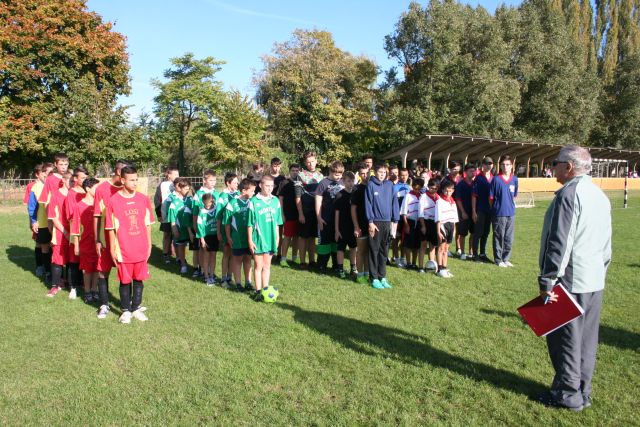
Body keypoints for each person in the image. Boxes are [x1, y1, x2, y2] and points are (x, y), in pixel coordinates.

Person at [536, 145, 612, 412]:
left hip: (569, 280)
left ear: (568, 167)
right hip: (593, 279)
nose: (552, 167)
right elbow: (607, 243)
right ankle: (582, 390)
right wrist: (601, 271)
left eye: (556, 163)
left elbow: (560, 242)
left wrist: (548, 280)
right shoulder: (599, 195)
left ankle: (567, 395)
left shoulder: (570, 194)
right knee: (586, 340)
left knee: (565, 340)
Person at [105, 165, 155, 324]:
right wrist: (112, 248)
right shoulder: (113, 201)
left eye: (136, 179)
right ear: (122, 180)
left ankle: (136, 307)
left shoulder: (143, 199)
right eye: (131, 180)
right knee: (125, 281)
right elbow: (111, 228)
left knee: (139, 280)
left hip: (140, 248)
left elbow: (147, 224)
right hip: (123, 249)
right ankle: (126, 310)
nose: (135, 183)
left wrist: (149, 245)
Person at [94, 159, 129, 320]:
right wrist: (97, 239)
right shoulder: (102, 189)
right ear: (117, 171)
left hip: (124, 241)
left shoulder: (126, 188)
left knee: (125, 274)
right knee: (103, 272)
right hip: (106, 239)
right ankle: (104, 304)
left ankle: (127, 306)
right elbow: (96, 217)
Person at [248, 175, 283, 301]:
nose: (269, 188)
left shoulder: (275, 201)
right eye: (267, 186)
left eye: (271, 186)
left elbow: (278, 223)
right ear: (260, 186)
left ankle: (265, 289)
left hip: (271, 238)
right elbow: (250, 224)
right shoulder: (254, 201)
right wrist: (250, 240)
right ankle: (258, 290)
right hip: (258, 238)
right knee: (258, 265)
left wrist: (278, 237)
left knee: (267, 265)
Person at [365, 163, 399, 289]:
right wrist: (370, 222)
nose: (382, 175)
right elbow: (368, 204)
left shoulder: (390, 185)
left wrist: (395, 221)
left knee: (384, 251)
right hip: (375, 223)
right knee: (374, 250)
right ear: (375, 172)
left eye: (384, 173)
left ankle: (382, 276)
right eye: (380, 172)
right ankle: (373, 278)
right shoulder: (371, 185)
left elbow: (394, 202)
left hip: (387, 222)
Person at [71, 178, 101, 304]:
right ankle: (87, 291)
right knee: (87, 270)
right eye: (96, 188)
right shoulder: (79, 206)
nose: (99, 191)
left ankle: (95, 290)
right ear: (88, 189)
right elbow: (76, 227)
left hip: (98, 243)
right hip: (86, 243)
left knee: (97, 268)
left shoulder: (99, 204)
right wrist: (76, 245)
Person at [224, 178, 255, 292]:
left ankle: (248, 282)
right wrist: (228, 237)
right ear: (243, 190)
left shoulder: (252, 202)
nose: (254, 193)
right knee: (237, 260)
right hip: (237, 237)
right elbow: (227, 223)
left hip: (250, 238)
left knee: (248, 259)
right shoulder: (232, 203)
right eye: (252, 191)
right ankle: (238, 283)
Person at [315, 160, 345, 273]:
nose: (339, 177)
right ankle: (321, 266)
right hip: (325, 219)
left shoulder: (342, 182)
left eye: (340, 174)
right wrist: (319, 218)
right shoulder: (323, 183)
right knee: (324, 243)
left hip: (339, 220)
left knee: (336, 242)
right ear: (331, 171)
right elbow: (318, 201)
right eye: (336, 174)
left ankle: (336, 265)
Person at [295, 151, 324, 269]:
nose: (311, 164)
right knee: (303, 237)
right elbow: (297, 196)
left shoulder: (321, 176)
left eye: (312, 161)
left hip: (316, 212)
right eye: (308, 162)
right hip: (305, 211)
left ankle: (312, 260)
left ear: (316, 161)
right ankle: (302, 261)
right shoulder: (300, 175)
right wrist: (300, 213)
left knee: (312, 237)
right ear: (305, 163)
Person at [46, 171, 72, 297]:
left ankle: (72, 284)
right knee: (58, 260)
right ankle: (54, 286)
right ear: (64, 180)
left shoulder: (75, 195)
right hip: (60, 233)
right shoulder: (55, 196)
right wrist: (65, 231)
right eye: (70, 181)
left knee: (72, 260)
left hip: (74, 233)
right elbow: (53, 217)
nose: (72, 184)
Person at [490, 155, 518, 267]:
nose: (505, 167)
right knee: (498, 236)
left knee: (508, 237)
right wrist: (496, 209)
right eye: (503, 164)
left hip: (511, 213)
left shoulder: (515, 179)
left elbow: (514, 195)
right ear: (500, 166)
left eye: (507, 164)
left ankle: (506, 258)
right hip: (499, 213)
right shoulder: (496, 179)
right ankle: (498, 259)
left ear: (511, 166)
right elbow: (491, 198)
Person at [192, 169, 219, 282]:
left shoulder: (217, 193)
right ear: (204, 180)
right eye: (211, 180)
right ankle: (203, 271)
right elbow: (195, 214)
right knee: (203, 251)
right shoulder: (198, 194)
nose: (213, 182)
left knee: (212, 253)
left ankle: (210, 272)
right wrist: (195, 229)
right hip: (202, 228)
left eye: (215, 180)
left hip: (213, 229)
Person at [27, 162, 53, 279]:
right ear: (41, 173)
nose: (48, 175)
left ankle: (58, 273)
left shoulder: (57, 184)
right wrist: (33, 221)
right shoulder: (36, 188)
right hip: (42, 223)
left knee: (55, 248)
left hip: (56, 223)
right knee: (44, 247)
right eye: (46, 173)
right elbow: (31, 207)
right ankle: (46, 271)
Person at [64, 166, 87, 296]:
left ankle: (85, 284)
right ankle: (73, 287)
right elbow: (70, 215)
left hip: (89, 231)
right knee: (74, 259)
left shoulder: (88, 192)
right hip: (76, 230)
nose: (84, 180)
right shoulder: (71, 194)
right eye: (82, 178)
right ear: (75, 178)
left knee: (87, 259)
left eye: (86, 178)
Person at [216, 172, 239, 286]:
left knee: (233, 255)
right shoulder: (222, 196)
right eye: (234, 182)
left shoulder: (238, 194)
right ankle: (223, 278)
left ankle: (230, 277)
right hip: (226, 230)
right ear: (227, 183)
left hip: (236, 230)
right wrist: (218, 232)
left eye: (237, 182)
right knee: (226, 254)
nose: (237, 184)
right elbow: (219, 216)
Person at [333, 171, 357, 279]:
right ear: (343, 181)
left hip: (353, 227)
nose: (350, 183)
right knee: (341, 249)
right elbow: (336, 214)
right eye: (348, 181)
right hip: (342, 227)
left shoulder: (355, 194)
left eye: (352, 181)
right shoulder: (339, 195)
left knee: (353, 248)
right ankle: (340, 268)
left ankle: (353, 267)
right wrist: (337, 230)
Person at [277, 163, 301, 267]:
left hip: (299, 214)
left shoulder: (300, 183)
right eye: (293, 170)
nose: (295, 172)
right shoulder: (284, 183)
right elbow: (280, 199)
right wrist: (282, 213)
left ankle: (295, 258)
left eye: (297, 171)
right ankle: (283, 258)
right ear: (289, 171)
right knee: (287, 236)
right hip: (288, 213)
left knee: (296, 236)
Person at [167, 178, 192, 274]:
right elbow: (172, 219)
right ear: (180, 189)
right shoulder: (174, 203)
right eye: (185, 189)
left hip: (189, 229)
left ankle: (197, 267)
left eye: (188, 189)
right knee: (181, 247)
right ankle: (183, 265)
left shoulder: (190, 200)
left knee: (193, 247)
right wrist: (174, 230)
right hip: (180, 230)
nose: (187, 191)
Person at [351, 164, 371, 284]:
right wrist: (356, 226)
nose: (365, 176)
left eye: (367, 173)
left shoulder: (373, 187)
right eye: (362, 173)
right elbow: (353, 209)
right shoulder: (356, 189)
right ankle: (359, 274)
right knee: (361, 251)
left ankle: (367, 273)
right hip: (361, 224)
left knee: (369, 251)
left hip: (372, 224)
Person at [434, 180, 458, 278]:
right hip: (443, 226)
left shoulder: (453, 202)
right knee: (441, 248)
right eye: (446, 191)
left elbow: (455, 217)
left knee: (446, 249)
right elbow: (438, 218)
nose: (448, 193)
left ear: (453, 190)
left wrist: (455, 230)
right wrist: (438, 231)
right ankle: (440, 269)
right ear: (442, 190)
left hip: (451, 226)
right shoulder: (440, 201)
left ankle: (444, 267)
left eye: (450, 191)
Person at [471, 157, 493, 263]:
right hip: (480, 209)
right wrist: (474, 211)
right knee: (478, 232)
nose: (488, 165)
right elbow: (474, 196)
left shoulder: (494, 178)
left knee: (486, 232)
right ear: (482, 165)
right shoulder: (478, 178)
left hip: (490, 210)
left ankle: (482, 253)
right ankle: (475, 254)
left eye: (490, 163)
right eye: (486, 163)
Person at [156, 166, 179, 264]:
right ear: (169, 175)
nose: (178, 176)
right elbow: (157, 200)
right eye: (175, 174)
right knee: (167, 235)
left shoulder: (180, 184)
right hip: (166, 215)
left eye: (178, 174)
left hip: (177, 215)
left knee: (178, 236)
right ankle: (165, 254)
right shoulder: (162, 185)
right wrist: (159, 214)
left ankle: (179, 256)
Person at [195, 193, 219, 286]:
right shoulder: (202, 212)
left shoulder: (216, 209)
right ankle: (206, 276)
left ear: (212, 201)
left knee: (213, 256)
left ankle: (212, 275)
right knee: (206, 256)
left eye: (209, 204)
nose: (207, 206)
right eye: (205, 204)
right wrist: (202, 239)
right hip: (205, 237)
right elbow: (200, 226)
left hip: (214, 236)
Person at [399, 178, 423, 270]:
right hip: (410, 221)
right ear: (412, 187)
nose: (416, 190)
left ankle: (414, 263)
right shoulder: (408, 196)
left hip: (419, 222)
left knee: (416, 245)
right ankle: (408, 263)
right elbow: (404, 212)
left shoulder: (422, 196)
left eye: (418, 189)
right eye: (415, 188)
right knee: (408, 244)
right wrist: (406, 225)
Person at [454, 163, 476, 260]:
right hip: (464, 212)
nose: (473, 173)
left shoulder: (476, 183)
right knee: (462, 233)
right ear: (465, 172)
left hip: (474, 213)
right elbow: (458, 199)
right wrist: (462, 212)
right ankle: (462, 252)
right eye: (470, 171)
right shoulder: (460, 184)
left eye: (473, 171)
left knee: (473, 233)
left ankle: (470, 251)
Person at [418, 178, 440, 272]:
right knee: (423, 245)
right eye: (431, 188)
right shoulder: (423, 197)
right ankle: (421, 267)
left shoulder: (438, 197)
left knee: (432, 246)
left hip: (434, 223)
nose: (433, 190)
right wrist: (423, 226)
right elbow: (420, 213)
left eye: (435, 188)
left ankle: (431, 265)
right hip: (425, 222)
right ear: (428, 187)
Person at [392, 167, 411, 267]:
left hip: (406, 217)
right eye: (402, 175)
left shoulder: (409, 187)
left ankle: (403, 258)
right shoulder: (394, 187)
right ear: (399, 176)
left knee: (404, 239)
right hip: (396, 217)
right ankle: (396, 258)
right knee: (396, 238)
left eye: (406, 175)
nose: (404, 177)